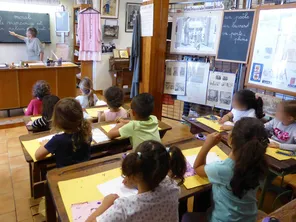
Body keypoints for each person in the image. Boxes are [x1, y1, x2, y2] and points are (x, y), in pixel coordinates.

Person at [86, 140, 187, 222]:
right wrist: (135, 181)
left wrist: (105, 205)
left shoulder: (124, 208)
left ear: (137, 175)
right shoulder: (173, 188)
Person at [190, 118, 268, 222]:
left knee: (188, 216)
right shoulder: (260, 164)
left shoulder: (223, 169)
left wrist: (207, 144)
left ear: (231, 140)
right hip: (249, 218)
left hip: (223, 219)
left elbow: (197, 167)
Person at [35, 98, 92, 168]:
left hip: (65, 175)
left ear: (57, 121)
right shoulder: (87, 133)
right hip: (84, 170)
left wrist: (44, 144)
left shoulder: (57, 140)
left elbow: (37, 156)